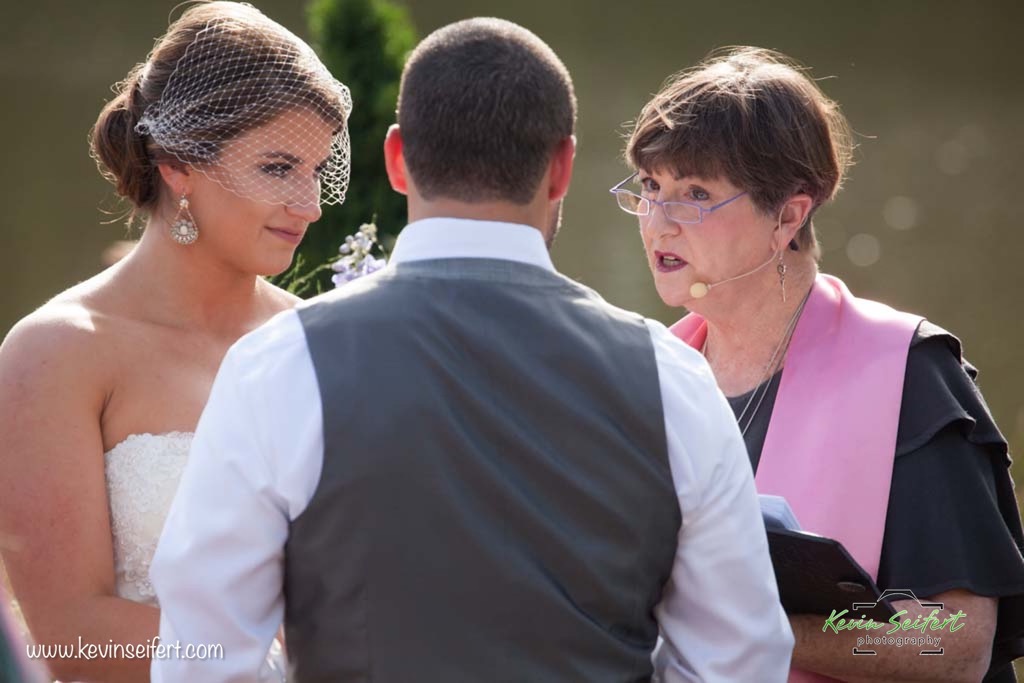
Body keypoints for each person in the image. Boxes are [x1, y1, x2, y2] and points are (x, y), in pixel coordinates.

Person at [150, 18, 794, 682]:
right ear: (563, 168)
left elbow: (203, 658)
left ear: (396, 160)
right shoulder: (672, 382)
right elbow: (740, 662)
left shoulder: (278, 367)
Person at [616, 46, 1024, 682]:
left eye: (694, 193)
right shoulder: (651, 374)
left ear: (788, 216)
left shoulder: (908, 374)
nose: (657, 222)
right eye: (649, 187)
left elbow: (955, 644)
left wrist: (769, 634)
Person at [0, 2, 352, 680]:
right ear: (178, 163)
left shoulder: (315, 340)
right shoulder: (53, 355)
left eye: (315, 169)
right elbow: (71, 637)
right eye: (279, 168)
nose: (310, 204)